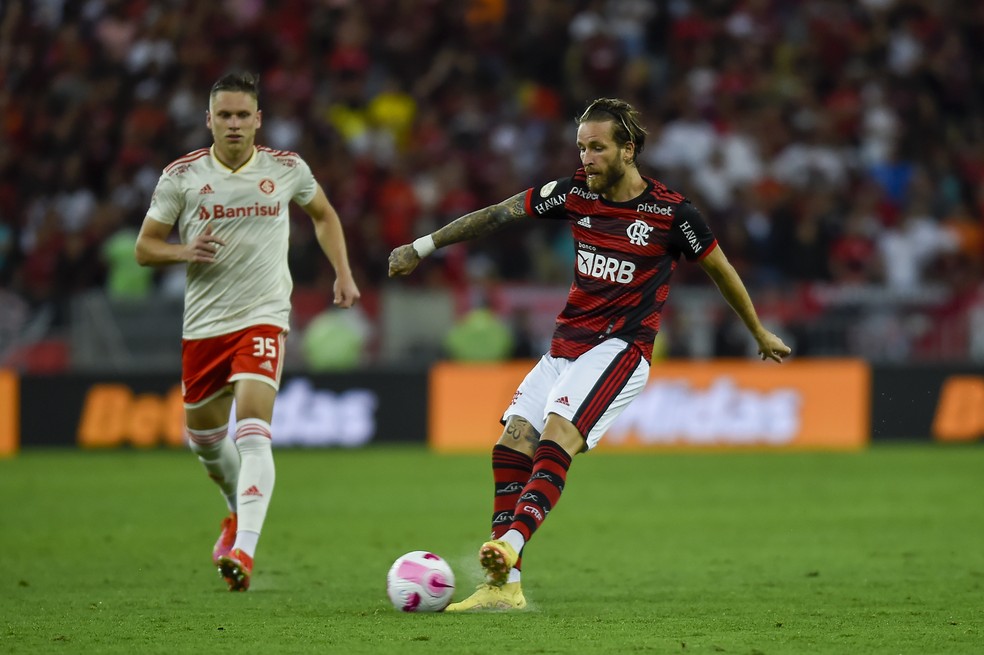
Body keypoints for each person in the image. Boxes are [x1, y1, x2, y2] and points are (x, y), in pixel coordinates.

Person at [388, 98, 791, 611]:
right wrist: (422, 247)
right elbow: (497, 215)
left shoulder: (672, 214)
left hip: (621, 349)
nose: (586, 159)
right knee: (510, 447)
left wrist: (757, 330)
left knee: (559, 431)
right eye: (581, 148)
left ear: (628, 149)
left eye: (597, 148)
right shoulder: (572, 193)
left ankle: (508, 548)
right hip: (565, 346)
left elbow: (720, 270)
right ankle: (502, 589)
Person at [135, 72, 360, 591]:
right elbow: (145, 248)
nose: (234, 124)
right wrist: (182, 251)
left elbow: (323, 215)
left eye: (243, 115)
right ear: (208, 119)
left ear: (258, 119)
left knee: (253, 430)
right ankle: (234, 514)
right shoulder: (182, 177)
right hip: (205, 326)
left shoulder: (286, 169)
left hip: (263, 317)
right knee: (206, 442)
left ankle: (246, 550)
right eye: (224, 115)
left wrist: (342, 272)